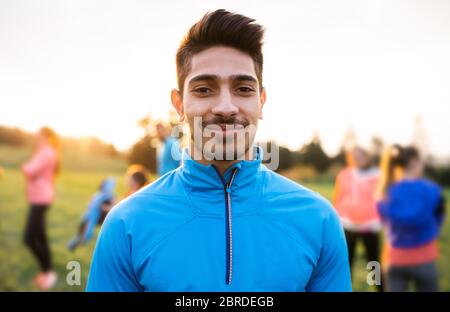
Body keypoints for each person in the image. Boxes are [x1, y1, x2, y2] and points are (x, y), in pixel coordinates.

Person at [87, 9, 351, 292]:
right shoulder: (126, 224)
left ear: (261, 101)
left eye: (243, 89)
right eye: (203, 89)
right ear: (178, 104)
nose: (226, 107)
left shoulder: (318, 219)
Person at [377, 145, 446, 292]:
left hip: (395, 259)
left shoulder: (384, 192)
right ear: (415, 162)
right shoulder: (432, 190)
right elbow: (439, 218)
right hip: (425, 258)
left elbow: (383, 221)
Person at [333, 146, 383, 290]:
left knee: (374, 263)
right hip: (348, 226)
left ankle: (381, 288)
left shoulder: (378, 175)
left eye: (360, 156)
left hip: (371, 227)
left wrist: (380, 221)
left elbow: (384, 199)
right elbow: (339, 198)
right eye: (354, 156)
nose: (357, 159)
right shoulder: (344, 175)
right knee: (347, 263)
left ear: (367, 157)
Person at [22, 127, 59, 290]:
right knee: (41, 236)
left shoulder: (47, 152)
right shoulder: (44, 151)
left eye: (39, 135)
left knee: (29, 238)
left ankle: (48, 272)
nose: (36, 137)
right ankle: (48, 271)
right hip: (39, 197)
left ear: (45, 136)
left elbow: (31, 170)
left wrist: (26, 167)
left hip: (40, 198)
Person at [67, 178, 116, 251]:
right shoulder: (98, 195)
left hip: (95, 216)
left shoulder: (109, 196)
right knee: (82, 227)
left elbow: (112, 206)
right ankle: (77, 240)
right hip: (89, 214)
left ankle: (81, 240)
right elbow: (90, 204)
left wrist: (105, 207)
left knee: (88, 229)